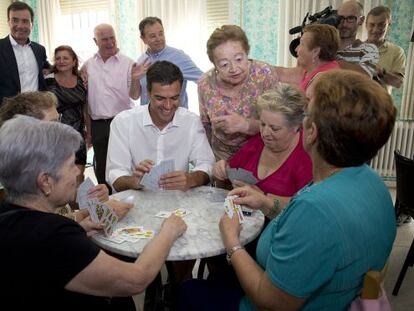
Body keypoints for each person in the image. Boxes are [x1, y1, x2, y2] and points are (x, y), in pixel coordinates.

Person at [179, 69, 397, 310]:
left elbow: (272, 301)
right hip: (341, 297)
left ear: (311, 132)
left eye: (308, 109)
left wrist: (232, 241)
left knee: (187, 291)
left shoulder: (315, 211)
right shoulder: (373, 183)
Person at [0, 115, 187, 310]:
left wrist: (78, 227)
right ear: (45, 182)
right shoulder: (54, 236)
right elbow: (136, 279)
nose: (77, 173)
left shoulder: (8, 213)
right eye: (71, 165)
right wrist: (169, 231)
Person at [0, 91, 131, 235]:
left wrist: (91, 199)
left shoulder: (49, 158)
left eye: (59, 120)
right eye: (53, 124)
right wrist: (87, 215)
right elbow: (43, 231)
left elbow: (62, 212)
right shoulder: (21, 177)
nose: (62, 128)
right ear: (30, 133)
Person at [106, 60, 215, 192]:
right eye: (160, 98)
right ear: (148, 93)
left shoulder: (191, 121)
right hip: (137, 202)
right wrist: (134, 182)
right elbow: (115, 175)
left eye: (174, 98)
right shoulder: (123, 122)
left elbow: (207, 164)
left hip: (179, 205)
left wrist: (191, 179)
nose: (168, 106)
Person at [212, 84, 312, 211]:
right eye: (263, 124)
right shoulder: (256, 143)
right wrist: (220, 171)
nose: (265, 133)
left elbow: (307, 207)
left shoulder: (308, 155)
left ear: (296, 127)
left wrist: (264, 199)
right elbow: (226, 178)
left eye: (274, 128)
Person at [199, 25, 280, 161]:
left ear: (247, 53)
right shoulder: (205, 83)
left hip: (261, 156)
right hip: (221, 158)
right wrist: (209, 164)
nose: (234, 69)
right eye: (224, 64)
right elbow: (205, 126)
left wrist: (246, 125)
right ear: (215, 65)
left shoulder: (264, 74)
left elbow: (280, 124)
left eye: (239, 59)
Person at [83, 24, 144, 190]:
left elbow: (135, 95)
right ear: (95, 41)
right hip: (98, 125)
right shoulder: (88, 65)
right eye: (104, 39)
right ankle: (107, 201)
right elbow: (85, 98)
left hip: (123, 122)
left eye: (112, 38)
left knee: (125, 164)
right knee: (101, 166)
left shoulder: (129, 63)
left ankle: (127, 197)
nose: (110, 42)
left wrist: (136, 78)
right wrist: (87, 129)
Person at [135, 17, 203, 108]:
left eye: (161, 33)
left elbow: (204, 80)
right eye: (153, 36)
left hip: (176, 119)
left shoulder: (179, 57)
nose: (158, 39)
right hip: (148, 119)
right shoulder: (141, 61)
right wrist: (133, 79)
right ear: (143, 39)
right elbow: (135, 95)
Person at [46, 45, 88, 185]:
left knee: (78, 176)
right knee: (61, 178)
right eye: (58, 58)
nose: (61, 61)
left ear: (74, 61)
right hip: (58, 136)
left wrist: (89, 132)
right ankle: (64, 207)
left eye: (65, 58)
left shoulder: (82, 80)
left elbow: (85, 108)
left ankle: (78, 206)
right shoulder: (48, 81)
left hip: (78, 134)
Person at [0, 1, 49, 105]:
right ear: (8, 22)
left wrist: (81, 71)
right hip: (8, 115)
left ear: (32, 24)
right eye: (15, 20)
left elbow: (49, 68)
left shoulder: (39, 50)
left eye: (25, 21)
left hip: (37, 111)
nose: (20, 26)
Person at [365, 5, 406, 94]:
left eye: (381, 25)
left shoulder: (397, 52)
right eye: (372, 25)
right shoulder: (355, 49)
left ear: (389, 25)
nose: (375, 30)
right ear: (366, 25)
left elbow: (398, 83)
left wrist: (380, 72)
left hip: (381, 105)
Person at [336, 0, 380, 78]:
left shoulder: (368, 49)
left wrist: (328, 62)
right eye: (341, 18)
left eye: (350, 18)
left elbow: (365, 76)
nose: (344, 24)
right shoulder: (325, 47)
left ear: (361, 20)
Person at [295, 24, 340, 91]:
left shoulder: (325, 80)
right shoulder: (311, 71)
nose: (296, 49)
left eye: (302, 44)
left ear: (315, 52)